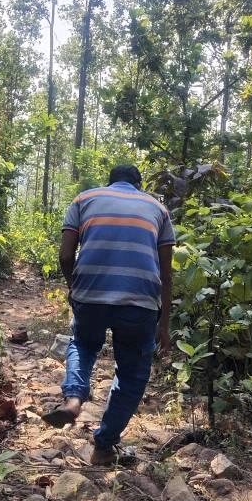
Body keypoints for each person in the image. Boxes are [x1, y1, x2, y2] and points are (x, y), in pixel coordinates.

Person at [42, 164, 175, 465]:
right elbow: (166, 274)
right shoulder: (158, 209)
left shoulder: (84, 200)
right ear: (139, 185)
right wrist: (164, 324)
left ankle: (73, 400)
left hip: (91, 294)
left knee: (83, 345)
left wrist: (74, 288)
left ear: (110, 182)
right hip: (140, 302)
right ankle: (104, 445)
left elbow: (65, 255)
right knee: (132, 374)